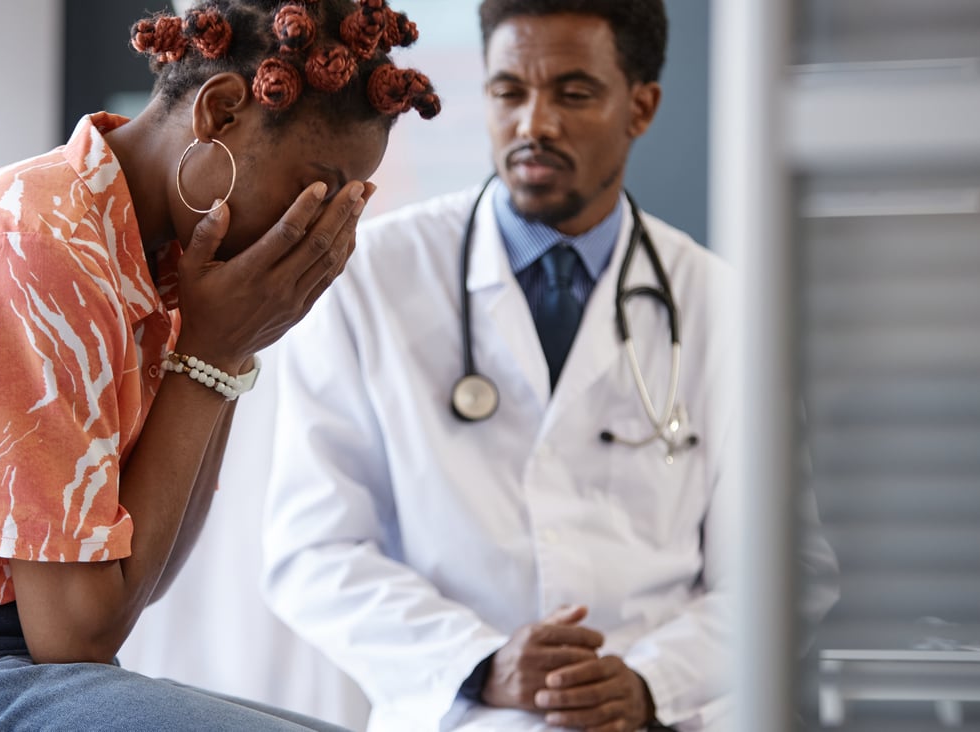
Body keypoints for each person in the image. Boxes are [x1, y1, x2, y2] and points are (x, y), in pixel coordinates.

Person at [0, 1, 440, 730]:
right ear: (219, 114)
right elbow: (76, 634)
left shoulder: (156, 264)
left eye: (352, 200)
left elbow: (139, 584)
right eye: (321, 187)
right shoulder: (36, 243)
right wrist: (212, 355)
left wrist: (229, 348)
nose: (329, 225)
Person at [261, 1, 839, 730]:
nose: (534, 124)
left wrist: (647, 682)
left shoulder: (727, 308)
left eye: (573, 93)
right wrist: (480, 664)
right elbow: (313, 552)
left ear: (642, 106)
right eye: (509, 92)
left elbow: (786, 573)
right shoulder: (370, 278)